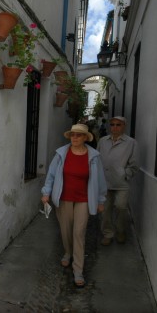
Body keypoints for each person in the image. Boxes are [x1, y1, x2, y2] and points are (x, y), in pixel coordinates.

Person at [41, 124, 107, 287]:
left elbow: (100, 180)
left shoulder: (94, 157)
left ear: (85, 137)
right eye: (73, 135)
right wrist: (46, 192)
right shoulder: (61, 154)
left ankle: (78, 270)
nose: (75, 138)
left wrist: (100, 200)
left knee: (79, 232)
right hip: (64, 198)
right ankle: (68, 252)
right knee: (65, 230)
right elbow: (51, 175)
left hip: (84, 199)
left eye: (79, 135)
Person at [97, 116, 138, 245]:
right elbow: (97, 159)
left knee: (121, 207)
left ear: (124, 126)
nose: (115, 127)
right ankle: (108, 234)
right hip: (105, 182)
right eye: (112, 124)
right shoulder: (103, 141)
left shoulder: (131, 143)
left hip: (121, 183)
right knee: (105, 210)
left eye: (118, 125)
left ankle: (120, 231)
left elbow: (135, 164)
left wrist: (124, 174)